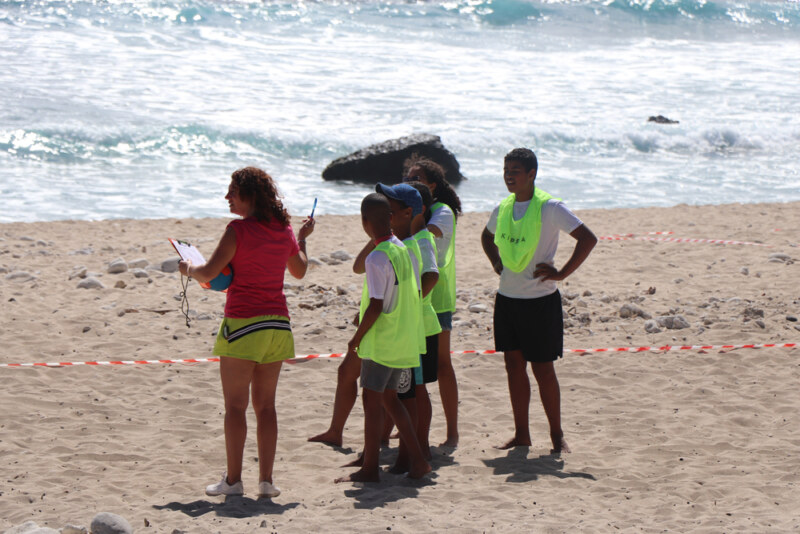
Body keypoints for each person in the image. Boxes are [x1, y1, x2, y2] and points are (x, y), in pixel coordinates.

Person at [179, 167, 315, 498]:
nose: (227, 197)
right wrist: (303, 239)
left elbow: (209, 272)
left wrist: (187, 268)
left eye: (232, 192)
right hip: (278, 326)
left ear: (249, 196)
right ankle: (266, 482)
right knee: (266, 407)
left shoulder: (237, 230)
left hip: (243, 325)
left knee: (236, 407)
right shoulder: (283, 230)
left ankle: (233, 481)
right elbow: (299, 270)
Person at [480, 148, 597, 453]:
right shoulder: (502, 208)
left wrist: (562, 274)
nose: (508, 175)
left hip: (540, 302)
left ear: (531, 174)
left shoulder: (550, 207)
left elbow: (588, 239)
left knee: (543, 369)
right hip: (507, 299)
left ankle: (557, 436)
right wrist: (496, 263)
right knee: (513, 367)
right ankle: (522, 434)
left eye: (515, 170)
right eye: (506, 169)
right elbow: (485, 237)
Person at [335, 193, 430, 483]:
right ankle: (418, 460)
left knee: (372, 401)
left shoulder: (377, 257)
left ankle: (370, 468)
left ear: (365, 223)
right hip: (404, 338)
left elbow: (376, 305)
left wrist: (356, 338)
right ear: (390, 218)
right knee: (392, 400)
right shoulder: (404, 248)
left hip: (383, 339)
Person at [403, 156, 461, 448]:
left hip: (437, 298)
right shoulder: (409, 212)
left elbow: (427, 236)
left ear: (432, 186)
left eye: (417, 178)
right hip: (412, 298)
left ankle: (452, 431)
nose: (410, 182)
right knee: (411, 366)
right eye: (407, 178)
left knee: (442, 364)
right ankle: (408, 426)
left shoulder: (442, 211)